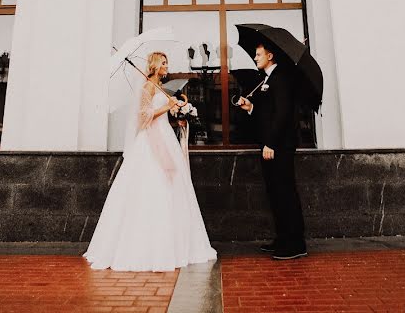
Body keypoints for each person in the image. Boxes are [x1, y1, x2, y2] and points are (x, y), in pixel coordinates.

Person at [84, 52, 217, 271]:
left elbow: (163, 114)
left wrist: (180, 114)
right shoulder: (147, 88)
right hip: (150, 142)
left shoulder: (160, 88)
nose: (167, 65)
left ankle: (178, 244)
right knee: (153, 185)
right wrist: (168, 105)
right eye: (163, 62)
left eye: (167, 62)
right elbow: (143, 117)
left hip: (166, 136)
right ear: (155, 66)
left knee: (174, 186)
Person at [238, 43, 307, 260]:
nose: (255, 58)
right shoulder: (266, 80)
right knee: (275, 193)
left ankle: (296, 243)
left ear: (270, 55)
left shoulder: (282, 78)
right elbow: (268, 112)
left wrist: (271, 143)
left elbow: (283, 114)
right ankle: (283, 238)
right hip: (270, 144)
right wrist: (251, 108)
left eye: (258, 55)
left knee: (285, 192)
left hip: (279, 146)